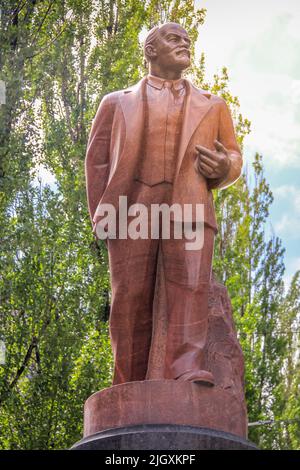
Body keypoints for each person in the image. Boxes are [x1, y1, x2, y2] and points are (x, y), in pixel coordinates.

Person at [85, 22, 242, 386]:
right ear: (150, 51)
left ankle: (186, 367)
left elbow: (233, 155)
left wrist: (224, 167)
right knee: (129, 297)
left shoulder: (214, 105)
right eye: (174, 39)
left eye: (188, 41)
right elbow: (96, 162)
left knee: (190, 287)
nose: (184, 44)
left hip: (189, 205)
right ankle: (127, 380)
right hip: (133, 207)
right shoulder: (115, 102)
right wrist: (103, 213)